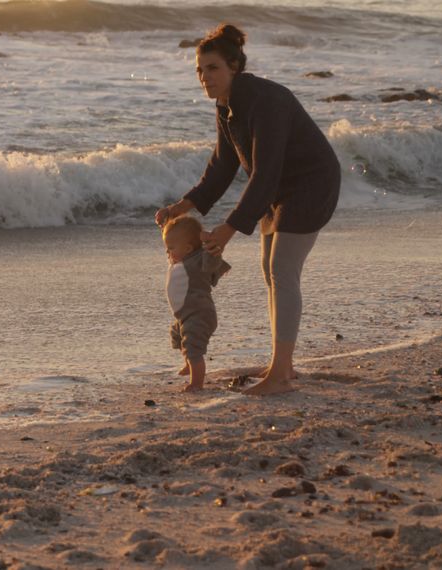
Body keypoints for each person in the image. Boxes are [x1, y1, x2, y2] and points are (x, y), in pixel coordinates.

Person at [155, 23, 340, 396]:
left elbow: (266, 172)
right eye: (200, 70)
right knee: (271, 273)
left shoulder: (263, 101)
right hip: (279, 190)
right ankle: (282, 365)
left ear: (234, 67)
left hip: (310, 182)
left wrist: (229, 228)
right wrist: (183, 204)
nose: (204, 77)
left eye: (213, 68)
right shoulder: (226, 107)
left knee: (281, 270)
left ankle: (281, 375)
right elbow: (222, 168)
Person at [162, 216, 230, 393]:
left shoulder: (198, 261)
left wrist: (211, 247)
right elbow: (175, 237)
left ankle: (197, 382)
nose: (167, 252)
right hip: (185, 315)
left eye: (170, 248)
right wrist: (166, 221)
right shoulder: (180, 260)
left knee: (193, 347)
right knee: (177, 335)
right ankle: (188, 365)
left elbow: (211, 261)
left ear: (188, 248)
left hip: (199, 313)